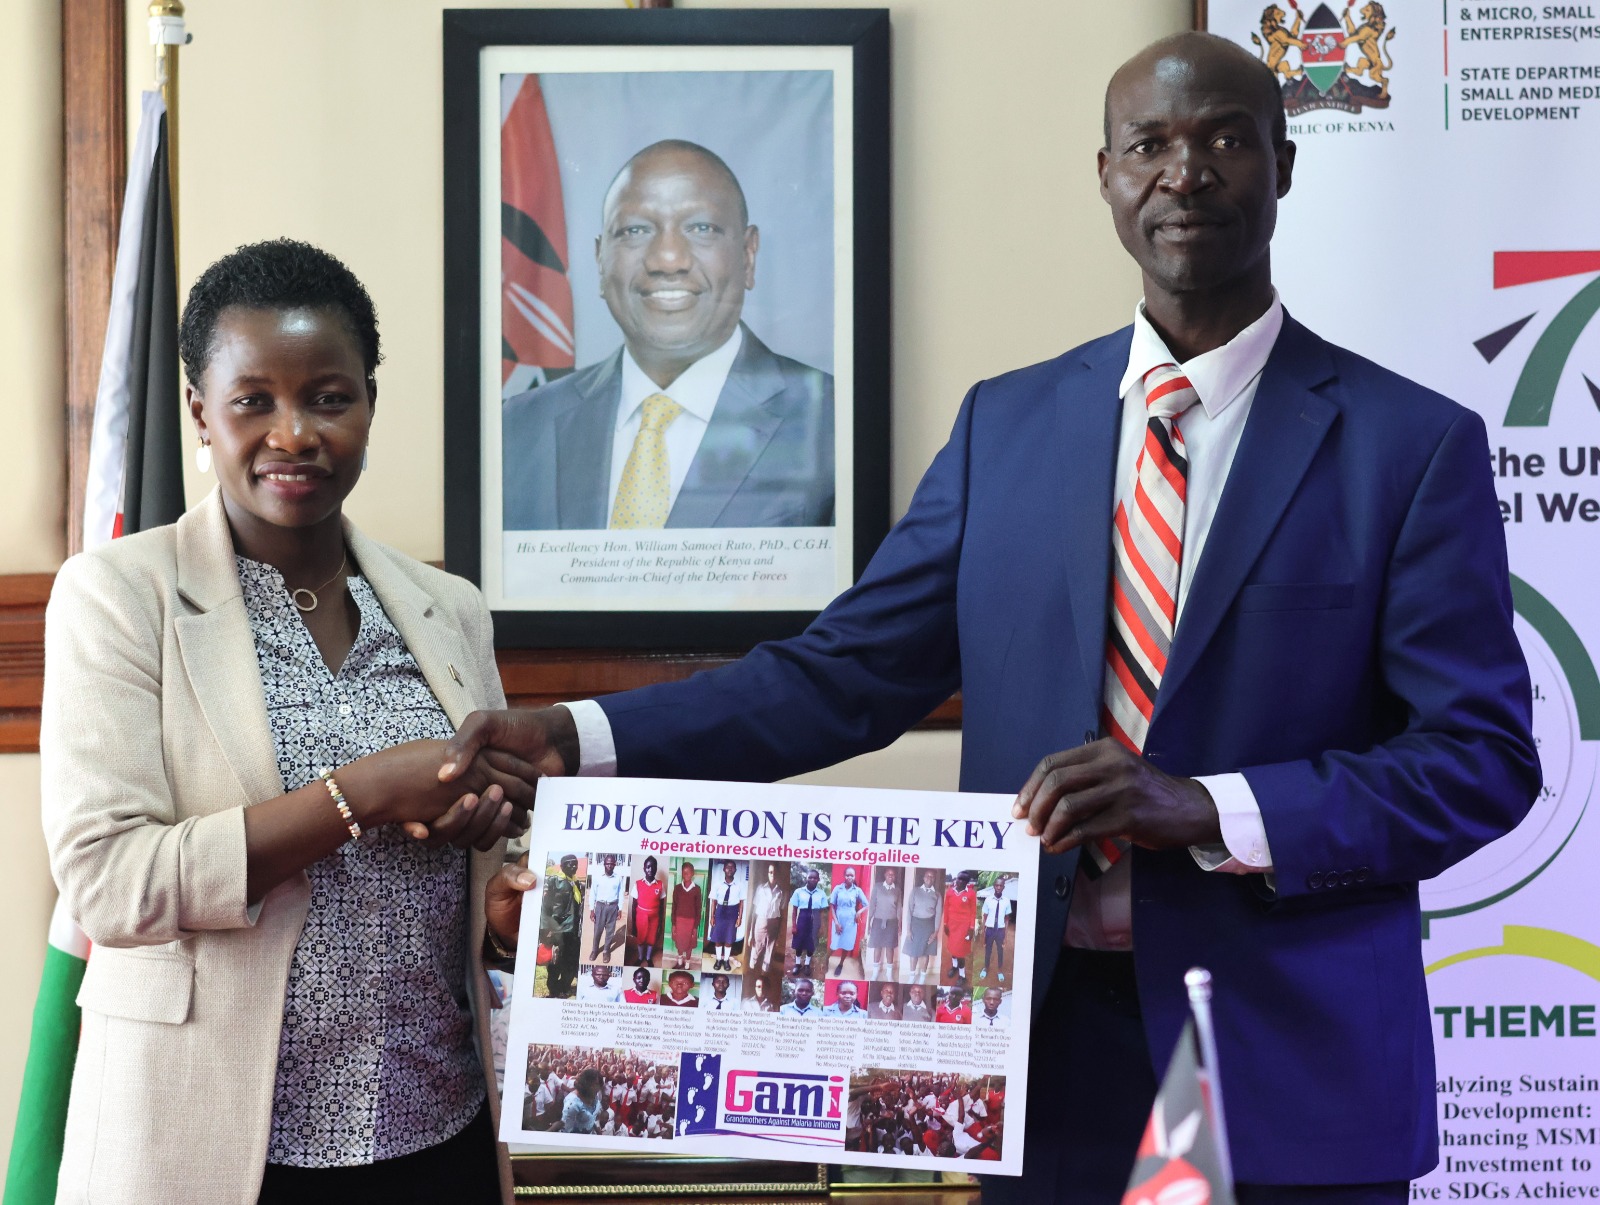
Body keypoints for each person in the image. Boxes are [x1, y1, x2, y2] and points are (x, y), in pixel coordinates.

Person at [441, 31, 1539, 1203]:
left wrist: (1208, 806)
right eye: (1148, 144)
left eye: (1224, 139)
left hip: (1289, 1064)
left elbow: (1480, 758)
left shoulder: (1409, 446)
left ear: (1283, 164)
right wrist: (576, 737)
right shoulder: (1005, 427)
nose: (1184, 172)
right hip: (1032, 1059)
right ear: (1106, 176)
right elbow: (841, 674)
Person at [39, 240, 538, 1205]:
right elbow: (107, 881)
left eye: (328, 397)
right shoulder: (117, 596)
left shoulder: (450, 609)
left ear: (369, 405)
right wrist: (358, 796)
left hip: (435, 1128)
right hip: (210, 1147)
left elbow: (484, 864)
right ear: (200, 412)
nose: (295, 432)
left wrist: (499, 916)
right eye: (253, 400)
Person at [501, 140, 834, 531]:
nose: (667, 259)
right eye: (635, 230)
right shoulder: (515, 428)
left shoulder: (835, 422)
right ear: (600, 260)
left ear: (748, 255)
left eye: (701, 228)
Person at [542, 854, 584, 999]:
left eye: (575, 863)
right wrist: (546, 929)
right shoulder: (554, 881)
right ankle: (553, 990)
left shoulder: (576, 883)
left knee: (571, 961)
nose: (574, 866)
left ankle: (565, 987)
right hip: (558, 929)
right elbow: (545, 907)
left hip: (574, 930)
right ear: (561, 866)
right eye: (569, 863)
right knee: (556, 962)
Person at [902, 868, 943, 982]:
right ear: (924, 878)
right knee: (913, 952)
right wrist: (908, 929)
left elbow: (938, 914)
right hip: (915, 925)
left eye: (932, 876)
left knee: (926, 952)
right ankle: (912, 976)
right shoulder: (915, 891)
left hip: (929, 926)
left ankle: (922, 978)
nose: (929, 878)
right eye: (927, 876)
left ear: (934, 879)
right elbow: (909, 910)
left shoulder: (937, 894)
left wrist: (935, 932)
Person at [746, 862, 787, 973]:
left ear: (778, 874)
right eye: (770, 872)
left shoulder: (781, 892)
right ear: (768, 873)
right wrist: (750, 934)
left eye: (775, 872)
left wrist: (779, 934)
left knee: (770, 950)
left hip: (774, 924)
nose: (772, 874)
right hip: (760, 922)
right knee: (756, 948)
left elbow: (782, 913)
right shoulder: (761, 888)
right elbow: (754, 912)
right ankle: (752, 970)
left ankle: (764, 972)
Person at [828, 867, 869, 976]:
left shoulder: (857, 890)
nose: (849, 877)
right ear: (844, 876)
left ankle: (840, 964)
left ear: (854, 877)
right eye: (847, 875)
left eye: (852, 875)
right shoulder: (838, 889)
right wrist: (836, 923)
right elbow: (832, 906)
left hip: (851, 922)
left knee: (846, 944)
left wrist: (859, 912)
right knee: (834, 944)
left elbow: (866, 904)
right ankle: (826, 960)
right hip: (839, 919)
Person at [788, 867, 828, 977]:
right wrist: (794, 925)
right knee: (799, 943)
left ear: (818, 880)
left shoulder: (821, 894)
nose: (812, 880)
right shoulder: (798, 892)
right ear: (807, 878)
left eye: (815, 878)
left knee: (811, 943)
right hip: (802, 918)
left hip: (815, 919)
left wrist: (822, 927)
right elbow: (794, 910)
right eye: (810, 877)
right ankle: (797, 964)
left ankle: (807, 964)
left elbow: (822, 912)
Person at [707, 859, 745, 970]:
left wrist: (739, 918)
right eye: (728, 867)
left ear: (735, 870)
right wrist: (712, 917)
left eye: (732, 867)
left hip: (732, 913)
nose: (730, 869)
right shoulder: (717, 884)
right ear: (724, 869)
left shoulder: (739, 885)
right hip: (720, 912)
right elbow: (714, 901)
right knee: (718, 938)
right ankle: (719, 959)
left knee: (729, 938)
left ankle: (726, 960)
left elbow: (741, 903)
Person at [941, 873, 978, 984]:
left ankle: (962, 976)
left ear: (966, 882)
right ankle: (954, 967)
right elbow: (946, 908)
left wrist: (971, 929)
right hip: (952, 925)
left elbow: (973, 912)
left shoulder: (971, 894)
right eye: (958, 879)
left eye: (963, 880)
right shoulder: (950, 892)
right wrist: (945, 924)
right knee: (953, 948)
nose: (960, 881)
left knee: (960, 952)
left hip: (964, 927)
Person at [865, 866, 902, 979]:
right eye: (888, 874)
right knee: (878, 947)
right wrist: (869, 923)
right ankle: (875, 973)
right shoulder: (877, 887)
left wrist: (900, 924)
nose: (891, 876)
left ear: (895, 877)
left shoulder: (897, 890)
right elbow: (872, 905)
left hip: (892, 922)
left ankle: (889, 974)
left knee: (890, 948)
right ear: (885, 875)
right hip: (878, 921)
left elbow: (899, 908)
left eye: (893, 874)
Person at [588, 852, 625, 963]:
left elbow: (621, 894)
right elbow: (592, 894)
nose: (610, 865)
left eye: (612, 864)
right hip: (600, 907)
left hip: (613, 907)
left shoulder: (618, 878)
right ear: (604, 864)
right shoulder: (598, 877)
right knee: (597, 931)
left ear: (615, 865)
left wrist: (620, 909)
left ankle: (606, 951)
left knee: (610, 932)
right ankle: (595, 950)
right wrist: (592, 910)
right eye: (608, 863)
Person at [631, 854, 666, 964]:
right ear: (644, 869)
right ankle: (640, 957)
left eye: (653, 867)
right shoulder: (638, 884)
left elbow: (662, 906)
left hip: (654, 917)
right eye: (648, 867)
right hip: (641, 917)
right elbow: (633, 906)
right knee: (641, 939)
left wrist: (660, 923)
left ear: (656, 869)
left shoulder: (660, 885)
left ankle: (648, 957)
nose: (650, 869)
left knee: (652, 938)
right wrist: (633, 924)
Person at [669, 859, 702, 969]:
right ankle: (679, 962)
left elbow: (698, 909)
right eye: (684, 872)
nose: (686, 874)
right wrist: (674, 924)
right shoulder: (677, 888)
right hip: (679, 921)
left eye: (688, 872)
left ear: (693, 873)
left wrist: (695, 926)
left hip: (691, 922)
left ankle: (687, 964)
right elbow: (674, 906)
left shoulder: (697, 889)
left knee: (689, 944)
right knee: (679, 942)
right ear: (681, 873)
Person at [978, 878, 1010, 983]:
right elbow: (985, 917)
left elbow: (1007, 919)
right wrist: (983, 934)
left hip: (1000, 931)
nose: (998, 887)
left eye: (1001, 886)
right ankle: (986, 968)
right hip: (990, 930)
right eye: (997, 885)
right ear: (994, 886)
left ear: (1004, 887)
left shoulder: (1006, 901)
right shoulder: (988, 900)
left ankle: (1000, 970)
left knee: (1000, 951)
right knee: (988, 950)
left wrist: (1005, 936)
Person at [561, 1070, 605, 1135]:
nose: (597, 1088)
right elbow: (566, 1131)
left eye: (598, 1084)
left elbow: (592, 1118)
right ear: (585, 1083)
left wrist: (598, 1132)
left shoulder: (594, 1097)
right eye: (594, 1084)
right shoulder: (572, 1104)